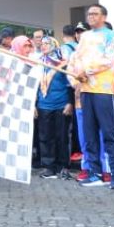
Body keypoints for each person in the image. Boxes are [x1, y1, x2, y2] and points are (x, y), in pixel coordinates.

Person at [69, 5, 114, 188]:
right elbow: (76, 58)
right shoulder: (84, 36)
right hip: (86, 90)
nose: (91, 17)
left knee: (109, 132)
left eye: (95, 14)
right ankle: (94, 173)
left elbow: (108, 60)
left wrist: (87, 70)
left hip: (103, 90)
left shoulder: (110, 35)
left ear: (104, 16)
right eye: (89, 14)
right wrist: (77, 76)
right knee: (89, 133)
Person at [36, 36, 73, 178]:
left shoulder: (63, 63)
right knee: (45, 137)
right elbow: (34, 85)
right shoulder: (38, 62)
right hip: (43, 104)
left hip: (61, 104)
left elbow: (70, 83)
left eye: (47, 44)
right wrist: (34, 104)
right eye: (42, 44)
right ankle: (48, 167)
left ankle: (63, 166)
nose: (43, 46)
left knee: (62, 137)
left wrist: (70, 102)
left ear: (54, 45)